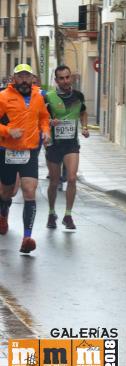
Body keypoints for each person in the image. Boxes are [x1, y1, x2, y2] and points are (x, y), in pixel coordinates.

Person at [0, 64, 50, 253]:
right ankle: (3, 213)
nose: (23, 80)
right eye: (19, 77)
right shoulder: (3, 97)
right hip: (7, 151)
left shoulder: (39, 96)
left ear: (32, 78)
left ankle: (27, 237)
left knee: (29, 191)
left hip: (29, 152)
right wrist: (7, 131)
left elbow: (44, 117)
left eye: (26, 77)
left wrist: (45, 131)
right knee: (6, 193)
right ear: (13, 79)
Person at [45, 65, 89, 230]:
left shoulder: (78, 96)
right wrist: (50, 123)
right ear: (56, 80)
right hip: (54, 145)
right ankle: (51, 212)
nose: (65, 81)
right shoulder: (49, 97)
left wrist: (85, 128)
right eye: (61, 78)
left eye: (67, 77)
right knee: (55, 181)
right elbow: (41, 119)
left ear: (71, 78)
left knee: (71, 178)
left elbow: (83, 112)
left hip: (71, 144)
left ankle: (68, 215)